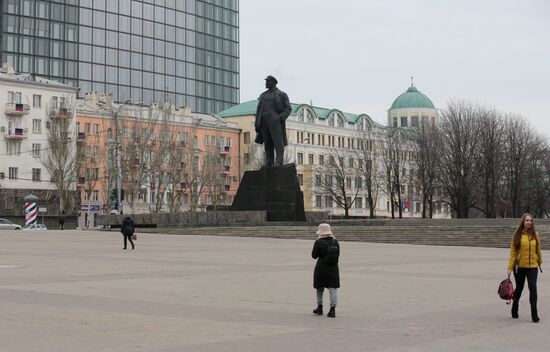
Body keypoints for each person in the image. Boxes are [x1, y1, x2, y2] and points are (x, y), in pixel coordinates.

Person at [507, 213, 543, 322]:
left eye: (530, 220)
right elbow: (513, 253)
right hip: (519, 267)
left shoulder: (535, 235)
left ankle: (534, 313)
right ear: (523, 221)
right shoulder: (516, 235)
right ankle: (515, 306)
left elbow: (538, 250)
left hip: (533, 266)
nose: (529, 222)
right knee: (519, 289)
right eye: (527, 220)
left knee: (533, 287)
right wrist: (509, 267)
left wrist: (539, 262)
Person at [254, 75, 292, 167]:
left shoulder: (281, 94)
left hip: (275, 121)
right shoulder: (263, 95)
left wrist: (280, 118)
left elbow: (288, 108)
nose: (266, 83)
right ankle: (269, 161)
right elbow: (259, 109)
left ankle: (279, 161)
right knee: (267, 143)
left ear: (274, 82)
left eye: (268, 81)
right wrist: (257, 123)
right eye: (266, 81)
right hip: (264, 122)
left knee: (278, 142)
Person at [311, 223, 340, 318]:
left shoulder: (318, 242)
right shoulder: (335, 242)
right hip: (333, 268)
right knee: (333, 288)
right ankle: (332, 310)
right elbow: (338, 255)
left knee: (319, 287)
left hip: (321, 267)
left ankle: (319, 307)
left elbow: (314, 256)